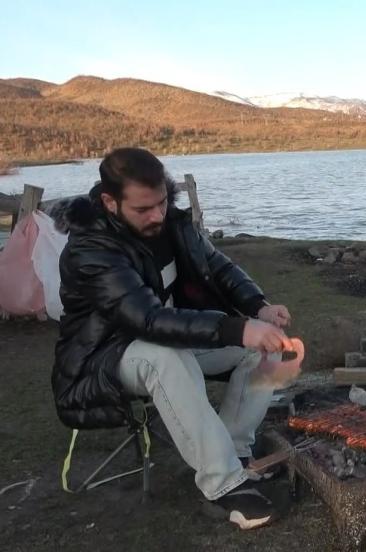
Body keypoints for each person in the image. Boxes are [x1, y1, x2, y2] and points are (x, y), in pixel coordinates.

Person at [52, 147, 301, 530]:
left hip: (171, 338)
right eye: (143, 209)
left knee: (263, 350)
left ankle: (235, 453)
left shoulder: (172, 224)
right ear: (110, 202)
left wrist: (258, 307)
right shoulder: (90, 249)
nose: (157, 215)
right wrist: (236, 327)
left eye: (162, 203)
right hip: (105, 357)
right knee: (165, 357)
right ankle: (223, 485)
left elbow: (218, 266)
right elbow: (146, 319)